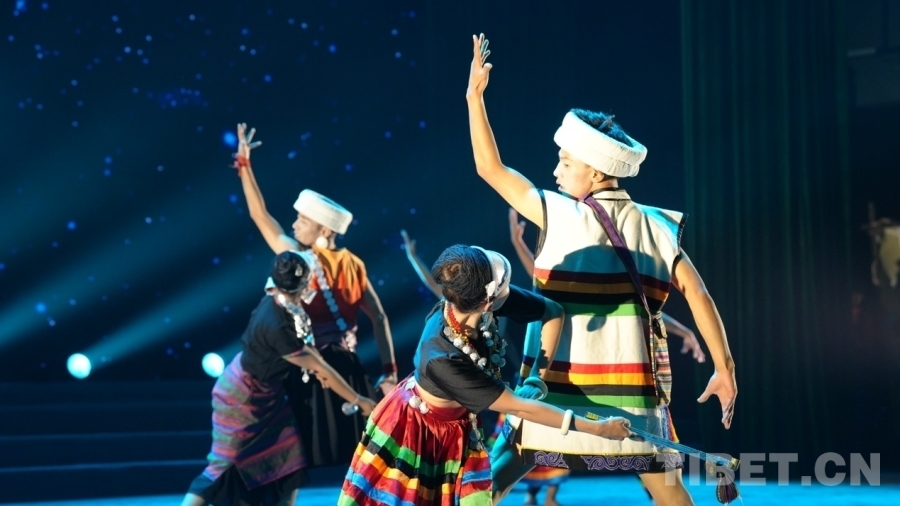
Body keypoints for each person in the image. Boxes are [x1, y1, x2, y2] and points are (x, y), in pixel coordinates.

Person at [465, 34, 737, 505]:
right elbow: (699, 295)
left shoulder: (556, 212)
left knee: (486, 485)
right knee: (668, 490)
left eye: (564, 161)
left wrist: (474, 98)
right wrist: (724, 368)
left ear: (593, 171)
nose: (555, 171)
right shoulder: (658, 226)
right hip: (631, 394)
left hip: (555, 389)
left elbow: (490, 168)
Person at [338, 245, 632, 505]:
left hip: (458, 422)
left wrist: (536, 376)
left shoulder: (476, 301)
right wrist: (598, 429)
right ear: (487, 301)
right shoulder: (442, 357)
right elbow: (519, 407)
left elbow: (552, 312)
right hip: (420, 430)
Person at [231, 124, 398, 467]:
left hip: (311, 369)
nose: (293, 225)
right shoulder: (355, 263)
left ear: (324, 229)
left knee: (295, 457)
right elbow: (379, 317)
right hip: (349, 368)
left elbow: (259, 215)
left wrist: (245, 167)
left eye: (301, 220)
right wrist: (389, 370)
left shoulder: (299, 260)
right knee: (361, 456)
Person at [182, 251, 376, 506]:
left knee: (290, 457)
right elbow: (320, 367)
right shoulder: (277, 325)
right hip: (242, 396)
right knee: (223, 465)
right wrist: (359, 400)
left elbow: (313, 359)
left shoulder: (280, 301)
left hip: (268, 395)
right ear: (305, 284)